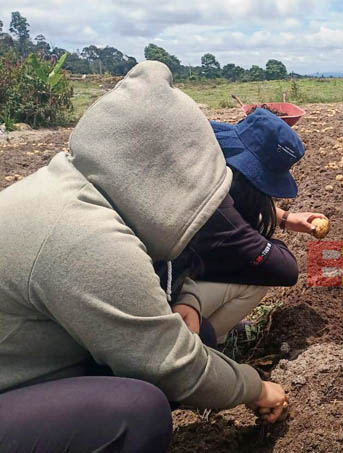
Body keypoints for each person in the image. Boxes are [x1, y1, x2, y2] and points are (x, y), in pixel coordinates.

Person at [0, 61, 287, 452]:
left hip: (24, 372)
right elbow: (170, 364)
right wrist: (254, 387)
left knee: (193, 335)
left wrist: (185, 297)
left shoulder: (81, 187)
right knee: (137, 414)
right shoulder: (85, 238)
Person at [155, 109, 327, 345]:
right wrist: (268, 242)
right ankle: (196, 346)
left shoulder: (200, 172)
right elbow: (286, 271)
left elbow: (232, 204)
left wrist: (286, 218)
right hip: (156, 302)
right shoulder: (221, 214)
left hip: (157, 271)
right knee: (256, 281)